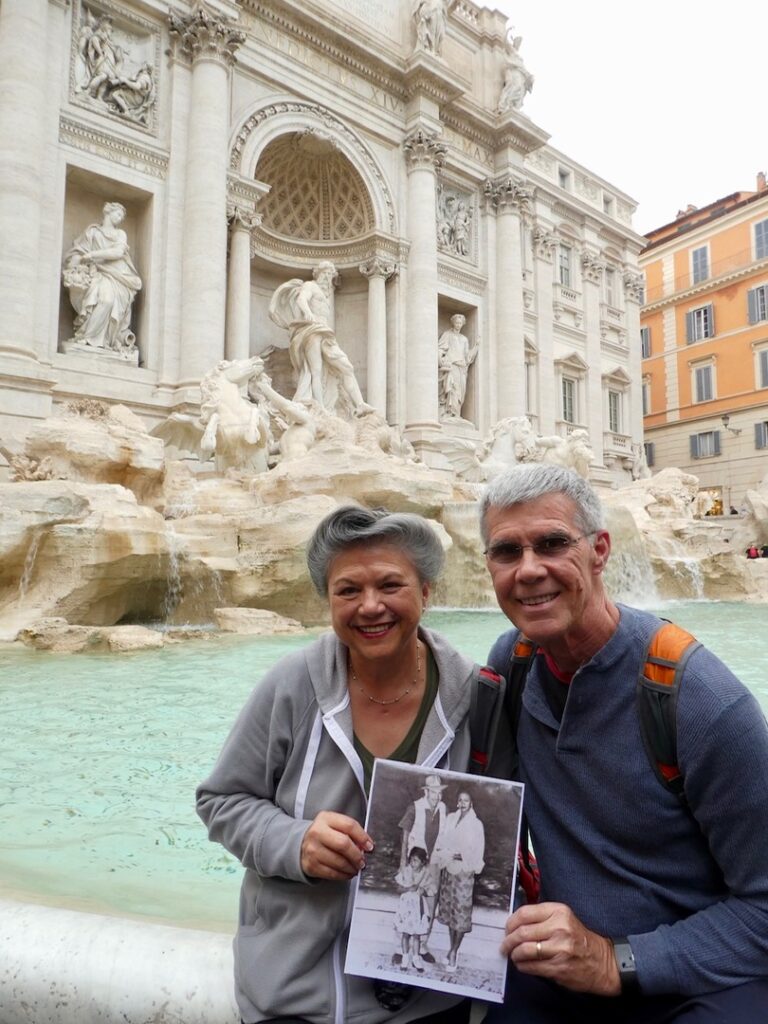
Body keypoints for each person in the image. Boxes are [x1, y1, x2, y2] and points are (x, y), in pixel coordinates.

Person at [478, 463, 768, 1024]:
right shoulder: (512, 664)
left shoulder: (702, 700)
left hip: (697, 976)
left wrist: (618, 961)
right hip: (561, 966)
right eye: (506, 552)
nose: (529, 570)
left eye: (552, 543)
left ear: (601, 550)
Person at [197, 504, 482, 1024]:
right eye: (348, 590)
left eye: (391, 585)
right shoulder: (290, 685)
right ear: (327, 600)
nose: (370, 607)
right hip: (297, 998)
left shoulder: (476, 697)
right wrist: (295, 842)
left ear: (427, 591)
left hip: (428, 999)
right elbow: (220, 801)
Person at [268, 261, 373, 416]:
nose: (327, 278)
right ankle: (321, 408)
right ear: (317, 274)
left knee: (346, 367)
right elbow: (301, 299)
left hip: (325, 333)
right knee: (315, 370)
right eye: (324, 273)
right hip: (312, 330)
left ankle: (360, 404)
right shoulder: (310, 286)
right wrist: (308, 312)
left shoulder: (325, 296)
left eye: (330, 275)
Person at [62, 201, 142, 354]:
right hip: (96, 274)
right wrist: (77, 260)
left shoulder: (120, 234)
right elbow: (78, 251)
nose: (120, 218)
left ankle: (97, 339)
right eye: (118, 214)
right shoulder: (92, 232)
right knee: (103, 299)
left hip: (117, 276)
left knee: (107, 300)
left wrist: (91, 255)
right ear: (108, 212)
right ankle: (86, 338)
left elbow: (118, 253)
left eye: (122, 216)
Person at [397, 774, 448, 965]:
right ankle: (401, 948)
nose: (437, 796)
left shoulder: (443, 809)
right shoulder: (415, 807)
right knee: (408, 904)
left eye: (439, 792)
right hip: (415, 862)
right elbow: (405, 835)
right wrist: (403, 861)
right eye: (434, 792)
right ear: (426, 792)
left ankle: (423, 945)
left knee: (430, 905)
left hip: (433, 863)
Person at [433, 790, 485, 972]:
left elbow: (478, 850)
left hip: (465, 871)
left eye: (466, 800)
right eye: (460, 800)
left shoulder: (476, 825)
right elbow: (442, 840)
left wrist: (459, 854)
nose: (462, 803)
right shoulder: (450, 819)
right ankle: (451, 948)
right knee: (449, 913)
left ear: (471, 804)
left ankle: (454, 952)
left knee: (461, 914)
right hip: (449, 869)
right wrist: (445, 853)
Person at [394, 846, 432, 972]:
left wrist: (424, 891)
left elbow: (432, 890)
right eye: (411, 860)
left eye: (415, 860)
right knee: (405, 933)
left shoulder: (426, 873)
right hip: (406, 907)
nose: (412, 863)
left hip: (418, 907)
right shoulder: (406, 871)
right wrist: (407, 888)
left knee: (416, 934)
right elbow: (398, 887)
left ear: (423, 862)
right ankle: (405, 957)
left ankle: (416, 958)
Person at [438, 314, 477, 420]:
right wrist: (441, 360)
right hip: (452, 366)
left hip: (462, 368)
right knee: (453, 389)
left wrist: (476, 347)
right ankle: (451, 413)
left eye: (460, 323)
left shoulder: (464, 339)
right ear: (453, 323)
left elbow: (467, 356)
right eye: (456, 323)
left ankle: (457, 413)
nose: (458, 325)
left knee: (460, 392)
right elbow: (441, 348)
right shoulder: (447, 335)